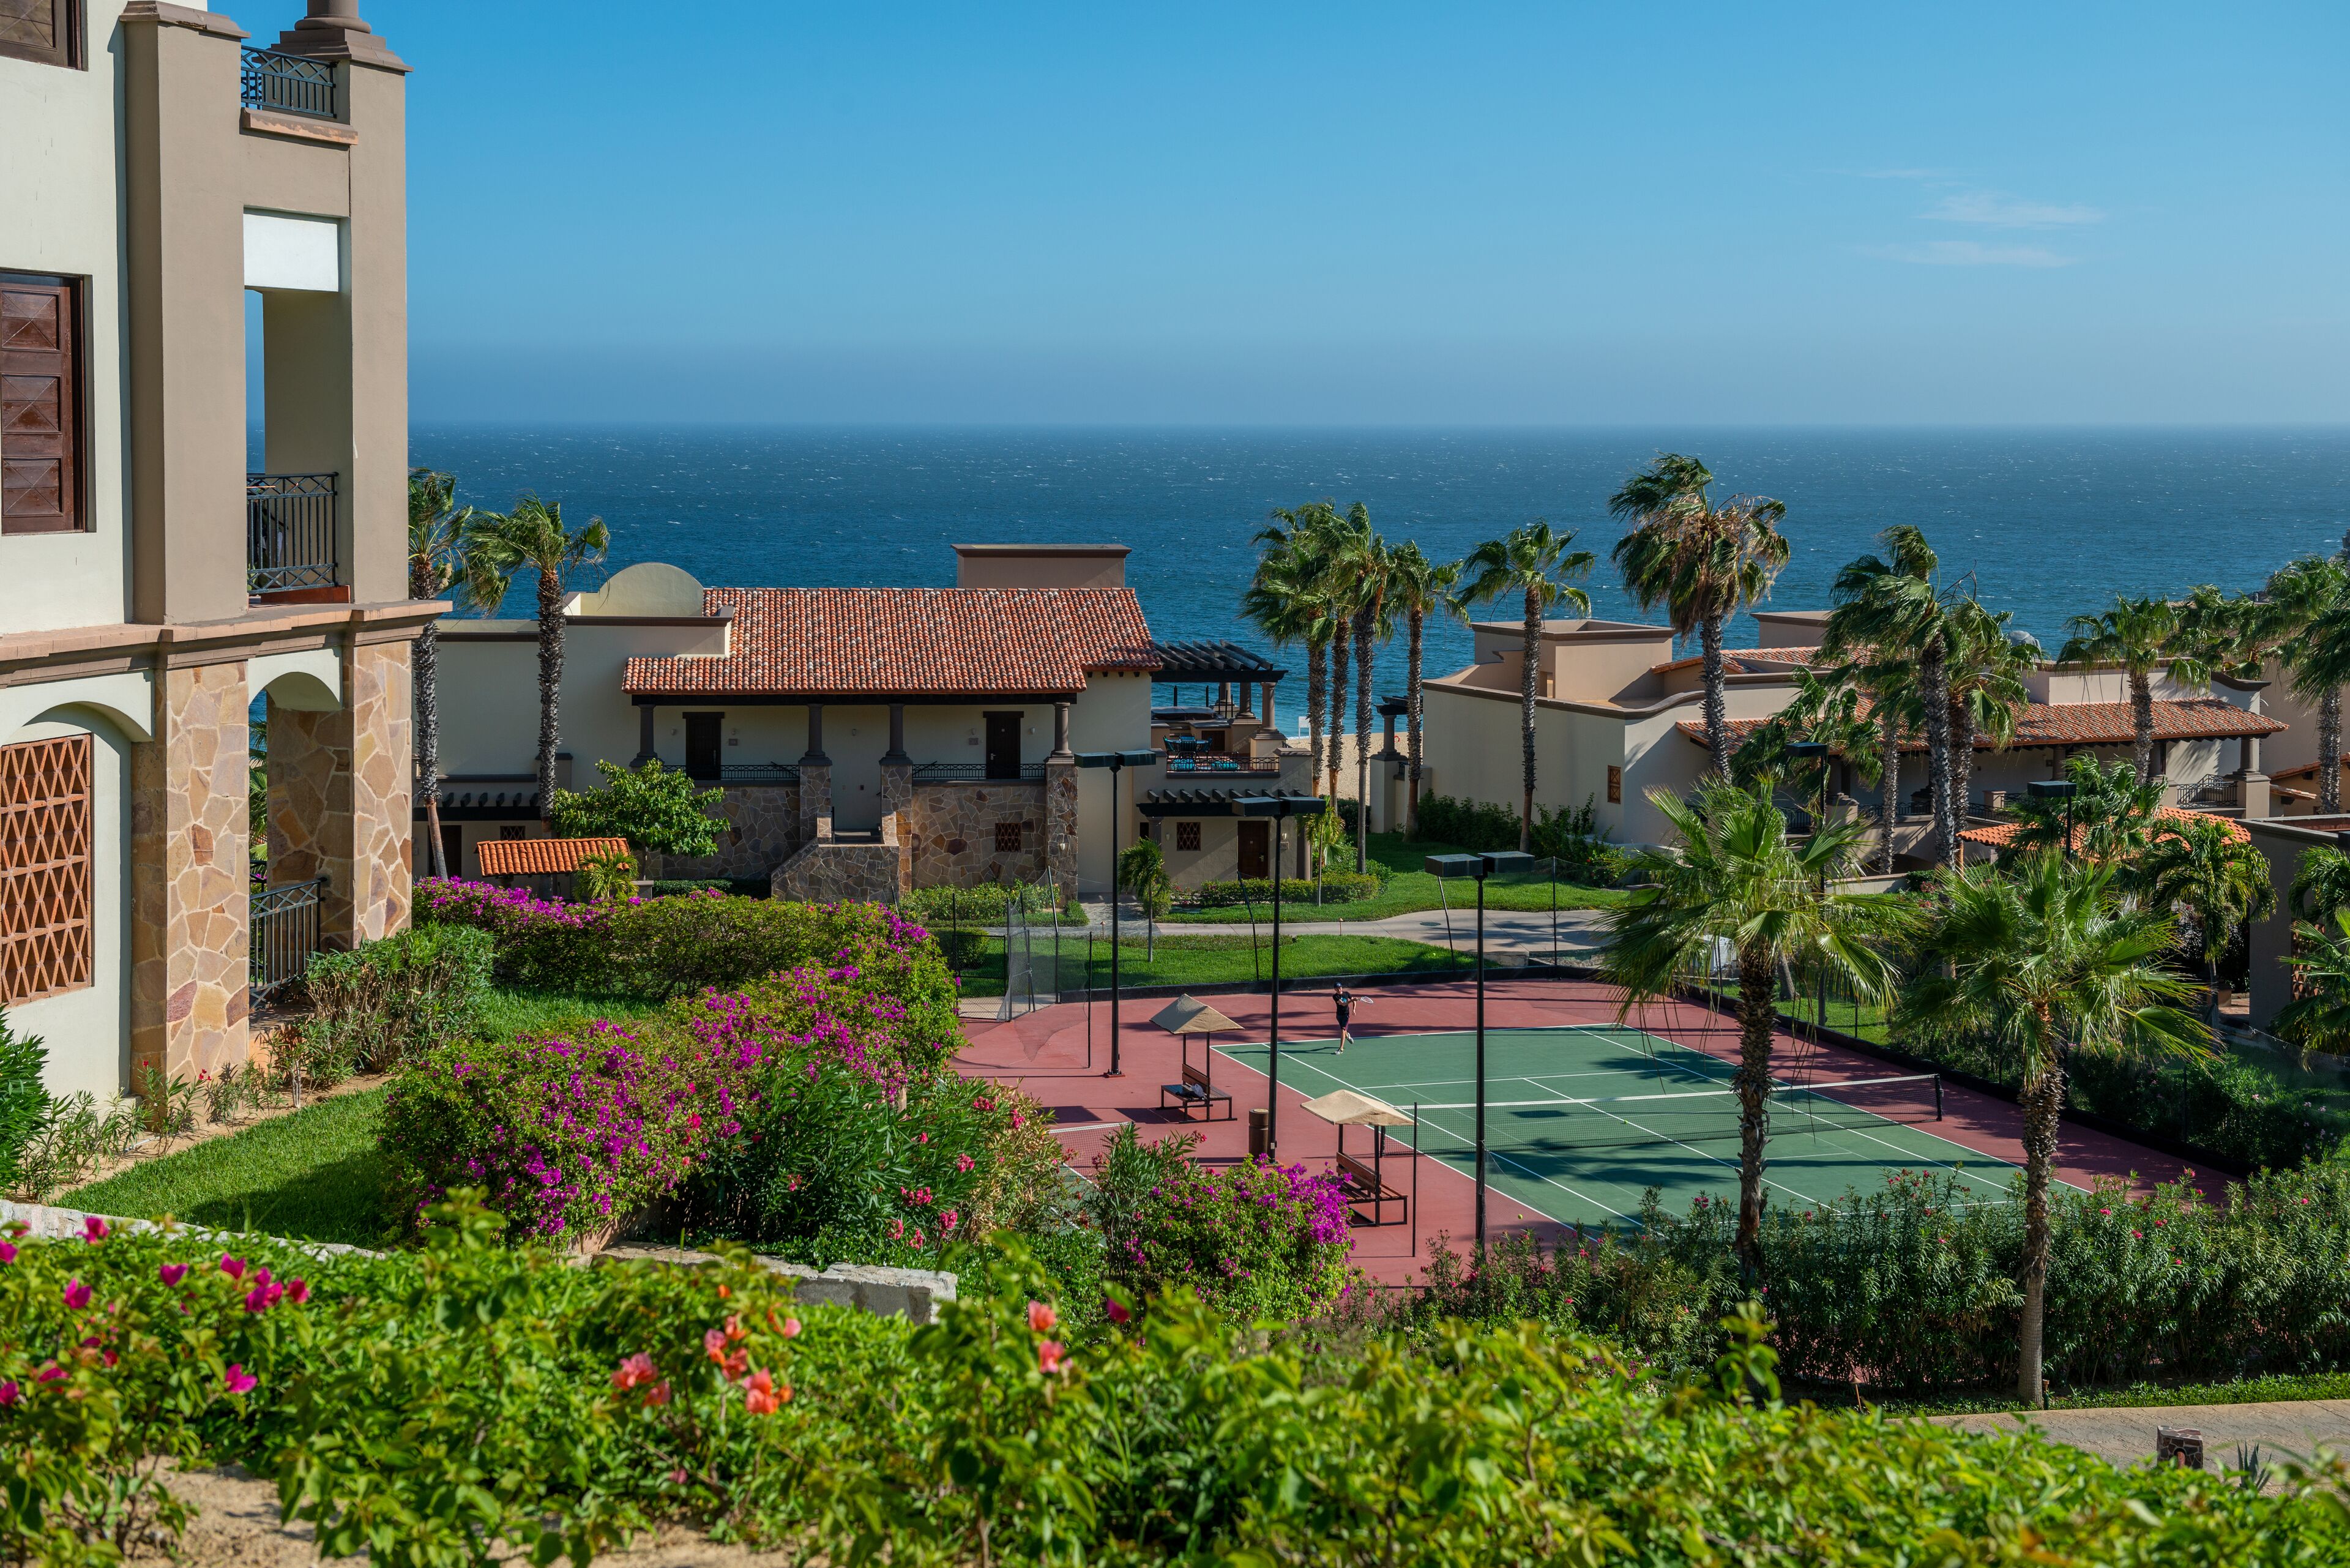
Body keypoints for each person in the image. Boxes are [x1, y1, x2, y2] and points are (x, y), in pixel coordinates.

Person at [1332, 984, 1372, 1052]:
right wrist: (1352, 1001)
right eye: (1338, 988)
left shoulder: (1347, 994)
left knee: (1342, 1030)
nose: (1340, 989)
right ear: (1335, 989)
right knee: (1344, 1031)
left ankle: (1341, 1049)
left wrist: (1354, 1009)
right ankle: (1348, 1036)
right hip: (1339, 1015)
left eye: (1340, 987)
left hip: (1346, 1015)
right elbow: (1343, 1004)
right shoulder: (1335, 996)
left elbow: (1354, 1001)